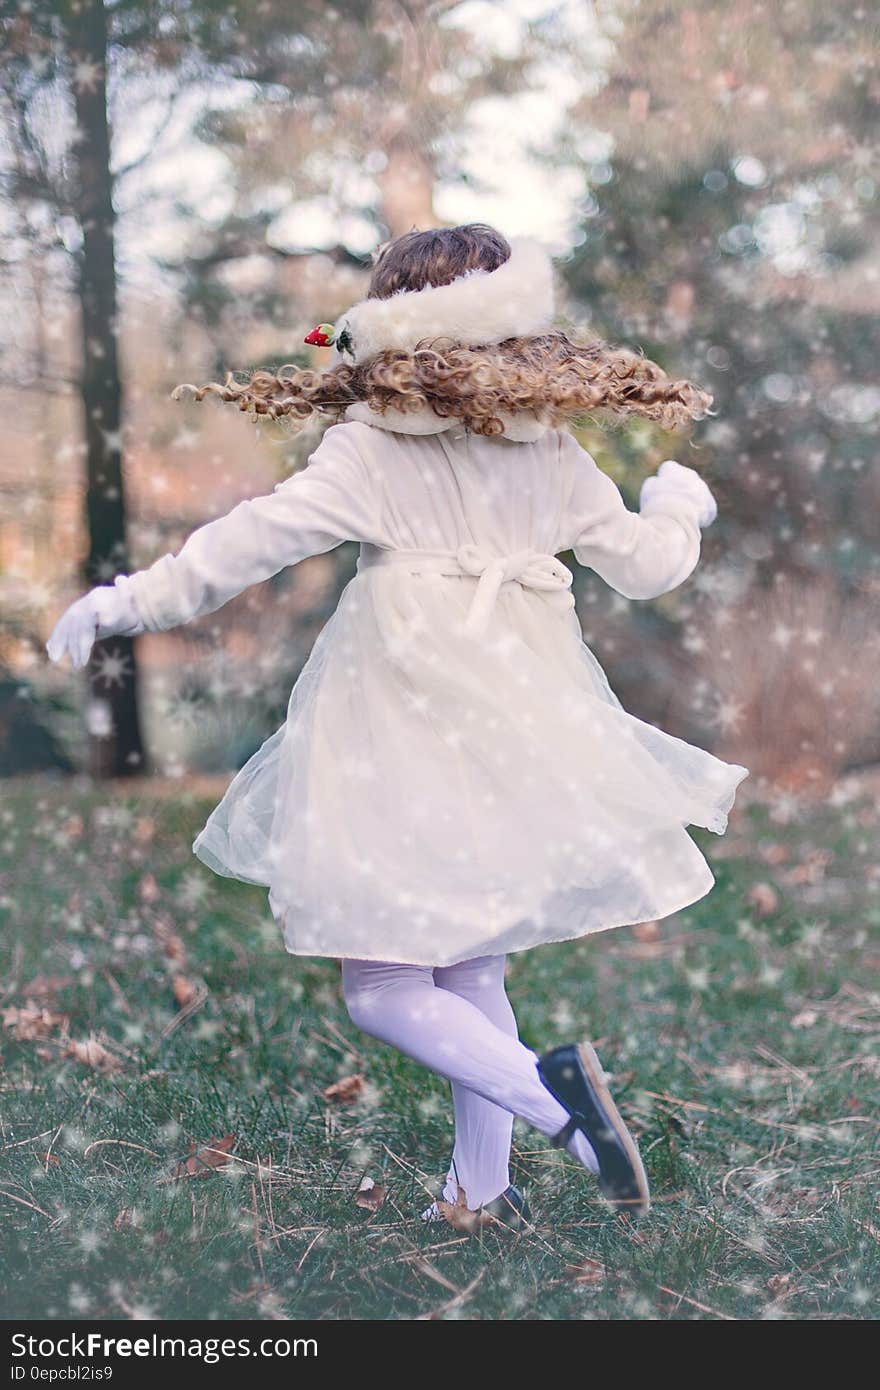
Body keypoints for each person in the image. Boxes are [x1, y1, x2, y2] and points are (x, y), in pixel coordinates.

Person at [47, 224, 749, 1229]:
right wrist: (676, 504)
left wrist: (125, 600)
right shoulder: (549, 449)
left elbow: (244, 545)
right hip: (522, 708)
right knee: (470, 961)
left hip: (398, 717)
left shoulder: (373, 445)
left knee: (380, 981)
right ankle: (479, 1190)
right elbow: (645, 566)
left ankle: (555, 1102)